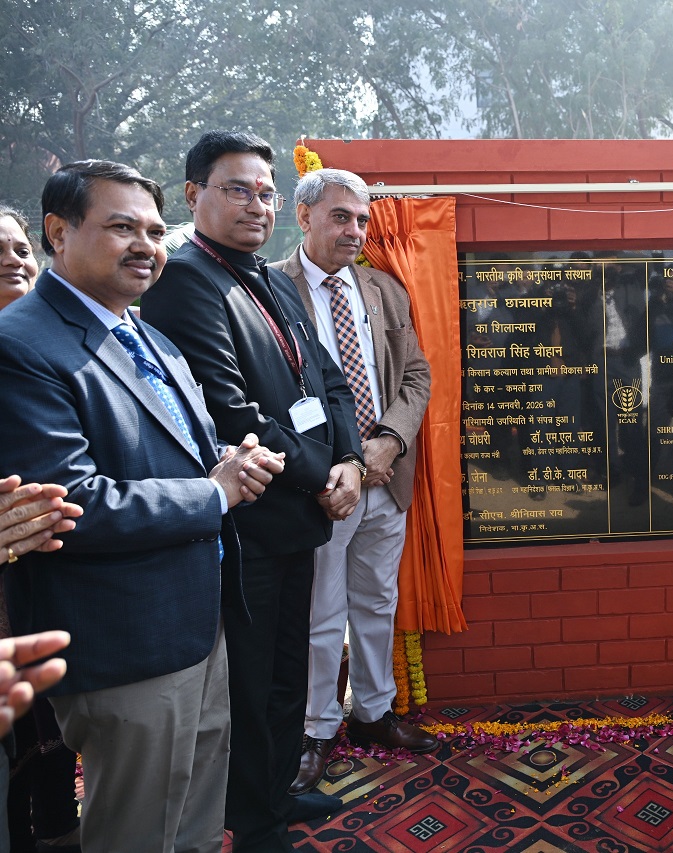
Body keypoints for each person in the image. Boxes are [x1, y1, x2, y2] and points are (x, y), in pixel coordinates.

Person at [0, 159, 286, 853]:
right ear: (58, 233)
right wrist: (214, 491)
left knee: (189, 828)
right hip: (127, 639)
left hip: (197, 625)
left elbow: (180, 448)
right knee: (136, 834)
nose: (146, 245)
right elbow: (71, 504)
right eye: (122, 226)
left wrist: (231, 457)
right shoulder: (23, 346)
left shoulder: (146, 333)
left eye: (156, 231)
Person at [141, 131, 365, 852]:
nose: (256, 204)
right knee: (248, 681)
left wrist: (352, 463)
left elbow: (328, 381)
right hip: (247, 525)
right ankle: (253, 820)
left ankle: (273, 793)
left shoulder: (265, 277)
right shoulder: (185, 280)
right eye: (238, 189)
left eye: (266, 192)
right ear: (193, 195)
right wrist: (319, 474)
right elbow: (233, 412)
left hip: (300, 513)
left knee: (285, 673)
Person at [270, 168, 436, 796]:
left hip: (385, 479)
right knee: (320, 612)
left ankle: (372, 714)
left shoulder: (384, 290)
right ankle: (315, 729)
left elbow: (415, 376)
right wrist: (334, 466)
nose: (354, 230)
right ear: (303, 214)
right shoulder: (270, 291)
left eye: (362, 218)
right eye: (341, 216)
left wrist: (389, 441)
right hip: (320, 488)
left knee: (376, 602)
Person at [0, 205, 82, 852]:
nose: (14, 261)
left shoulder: (54, 347)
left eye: (21, 249)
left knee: (51, 743)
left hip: (49, 588)